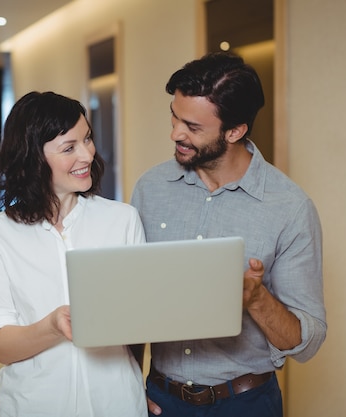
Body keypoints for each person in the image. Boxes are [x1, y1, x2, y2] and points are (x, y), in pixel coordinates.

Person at [130, 52, 327, 417]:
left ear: (235, 131)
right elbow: (133, 303)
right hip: (160, 400)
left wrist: (256, 299)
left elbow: (306, 344)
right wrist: (127, 391)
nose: (175, 133)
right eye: (174, 117)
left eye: (192, 126)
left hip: (246, 404)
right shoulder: (149, 188)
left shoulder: (291, 207)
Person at [0, 91, 148, 417]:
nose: (87, 155)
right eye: (69, 148)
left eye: (88, 139)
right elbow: (0, 345)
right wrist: (53, 326)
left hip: (117, 403)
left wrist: (137, 384)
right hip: (33, 405)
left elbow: (137, 327)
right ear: (32, 158)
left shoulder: (122, 219)